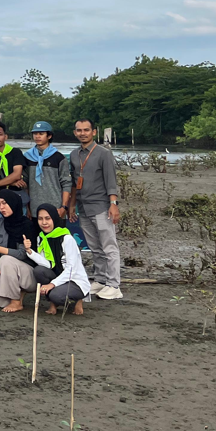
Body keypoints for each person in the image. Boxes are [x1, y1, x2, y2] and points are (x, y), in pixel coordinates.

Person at [68, 118, 122, 300]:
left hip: (101, 206)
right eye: (79, 130)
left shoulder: (103, 153)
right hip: (83, 207)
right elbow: (74, 183)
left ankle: (114, 285)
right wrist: (72, 205)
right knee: (94, 247)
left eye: (86, 130)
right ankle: (100, 279)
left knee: (109, 247)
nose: (82, 133)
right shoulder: (74, 155)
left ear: (93, 132)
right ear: (75, 133)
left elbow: (111, 180)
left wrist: (113, 204)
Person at [0, 189, 40, 311]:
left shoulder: (26, 225)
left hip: (27, 275)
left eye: (4, 203)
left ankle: (15, 301)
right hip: (6, 272)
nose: (1, 207)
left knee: (6, 259)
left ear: (13, 203)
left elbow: (22, 254)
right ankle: (17, 299)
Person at [28, 204, 90, 315]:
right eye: (40, 219)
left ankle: (77, 299)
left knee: (56, 295)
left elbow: (71, 269)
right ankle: (53, 304)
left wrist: (52, 284)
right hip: (58, 276)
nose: (44, 223)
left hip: (74, 280)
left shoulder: (67, 239)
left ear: (54, 218)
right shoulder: (42, 238)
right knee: (39, 270)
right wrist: (29, 252)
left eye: (48, 218)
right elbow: (48, 264)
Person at [22, 121, 71, 217]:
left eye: (41, 134)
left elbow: (66, 183)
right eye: (35, 134)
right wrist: (27, 207)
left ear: (49, 136)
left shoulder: (59, 158)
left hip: (56, 208)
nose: (37, 136)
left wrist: (64, 207)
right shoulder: (27, 157)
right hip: (34, 209)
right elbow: (25, 184)